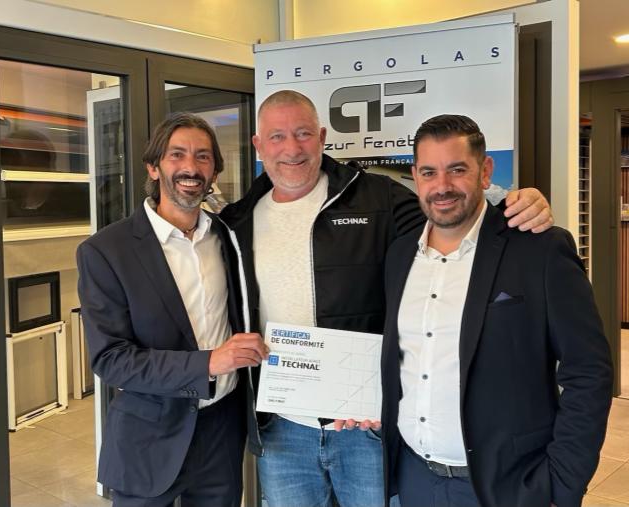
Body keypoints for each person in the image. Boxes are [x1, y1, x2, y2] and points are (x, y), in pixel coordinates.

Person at [218, 90, 554, 507]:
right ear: (258, 145)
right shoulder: (236, 220)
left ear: (321, 137)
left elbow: (452, 219)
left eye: (303, 133)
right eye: (277, 137)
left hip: (367, 426)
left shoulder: (379, 197)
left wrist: (517, 205)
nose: (292, 148)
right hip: (282, 427)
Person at [380, 114, 613, 507]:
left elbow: (589, 372)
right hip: (414, 479)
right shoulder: (399, 255)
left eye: (457, 170)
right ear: (416, 177)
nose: (442, 186)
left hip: (510, 484)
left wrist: (562, 483)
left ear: (485, 171)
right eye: (429, 172)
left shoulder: (539, 249)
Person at [77, 112, 268, 507]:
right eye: (177, 154)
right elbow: (111, 359)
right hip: (149, 437)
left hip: (221, 433)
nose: (190, 167)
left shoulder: (229, 237)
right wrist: (208, 363)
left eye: (203, 156)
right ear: (153, 167)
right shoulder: (106, 251)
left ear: (214, 171)